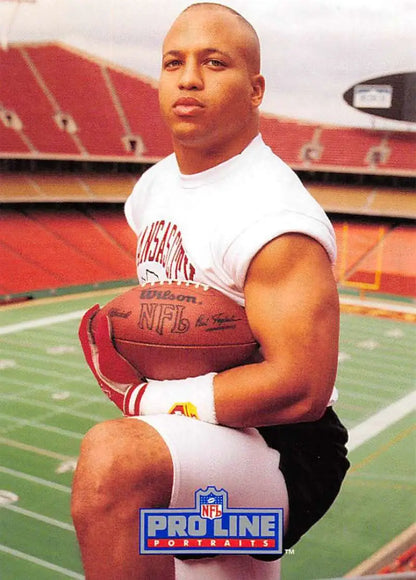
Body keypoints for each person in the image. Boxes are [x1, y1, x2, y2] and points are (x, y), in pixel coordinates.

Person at [72, 3, 349, 579]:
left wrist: (142, 398)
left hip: (285, 463)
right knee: (187, 556)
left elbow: (303, 390)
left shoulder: (274, 217)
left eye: (214, 62)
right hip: (208, 447)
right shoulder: (153, 188)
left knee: (117, 467)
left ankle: (214, 535)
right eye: (174, 62)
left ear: (255, 89)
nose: (189, 77)